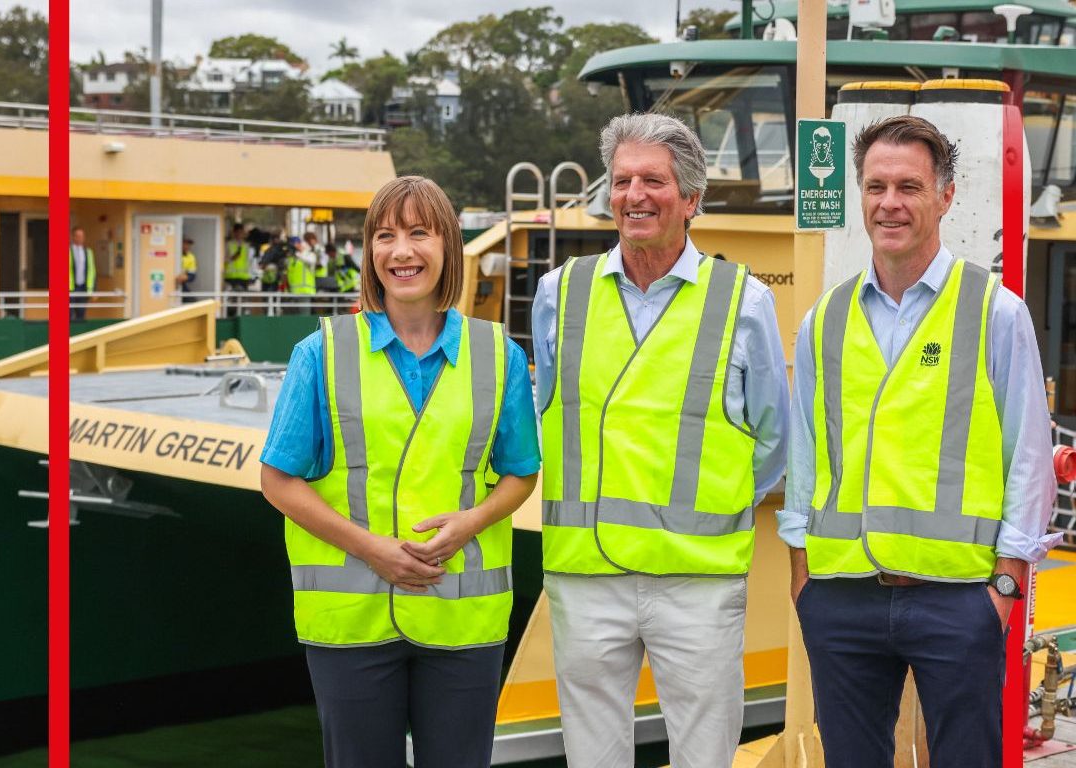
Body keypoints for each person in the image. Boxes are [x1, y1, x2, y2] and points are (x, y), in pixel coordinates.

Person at [782, 115, 1060, 768]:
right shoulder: (825, 319)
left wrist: (1006, 586)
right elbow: (804, 456)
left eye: (908, 186)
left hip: (958, 599)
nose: (889, 203)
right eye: (875, 187)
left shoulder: (995, 311)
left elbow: (1028, 458)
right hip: (841, 597)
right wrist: (803, 579)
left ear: (946, 196)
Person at [532, 112, 790, 767]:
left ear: (692, 198)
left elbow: (774, 442)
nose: (633, 196)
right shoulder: (558, 295)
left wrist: (705, 507)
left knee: (705, 756)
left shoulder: (745, 302)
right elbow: (547, 414)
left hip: (697, 582)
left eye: (652, 180)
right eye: (621, 181)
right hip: (585, 576)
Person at [260, 175, 540, 768]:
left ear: (448, 248)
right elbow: (277, 480)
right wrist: (372, 550)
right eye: (384, 236)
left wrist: (471, 522)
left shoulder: (500, 355)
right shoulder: (321, 352)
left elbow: (521, 472)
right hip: (350, 622)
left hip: (462, 615)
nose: (401, 251)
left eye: (419, 233)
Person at [69, 226, 95, 322]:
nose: (80, 238)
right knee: (69, 314)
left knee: (81, 313)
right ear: (73, 237)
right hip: (70, 288)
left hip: (83, 287)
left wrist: (92, 290)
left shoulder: (88, 252)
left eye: (82, 236)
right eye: (78, 236)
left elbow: (92, 271)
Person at [224, 223, 252, 291]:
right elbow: (223, 259)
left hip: (244, 277)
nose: (239, 234)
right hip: (231, 277)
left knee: (243, 299)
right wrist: (232, 258)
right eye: (237, 232)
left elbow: (249, 260)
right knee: (232, 299)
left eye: (241, 232)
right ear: (234, 233)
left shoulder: (247, 245)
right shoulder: (228, 244)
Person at [176, 237, 197, 303]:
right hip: (169, 283)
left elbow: (192, 275)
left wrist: (186, 277)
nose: (187, 246)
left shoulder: (190, 257)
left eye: (189, 244)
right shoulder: (173, 253)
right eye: (185, 244)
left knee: (193, 302)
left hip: (181, 285)